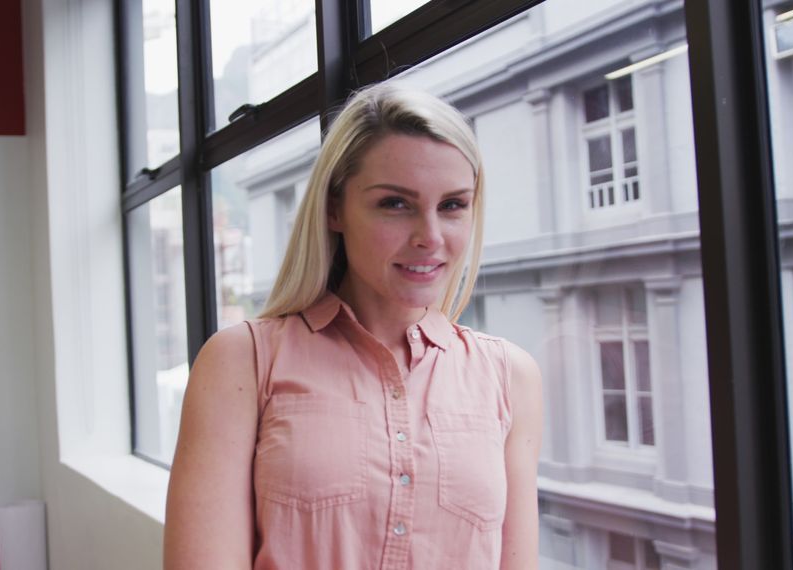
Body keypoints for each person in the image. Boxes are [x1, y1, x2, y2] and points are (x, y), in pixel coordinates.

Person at [164, 82, 543, 570]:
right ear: (334, 208)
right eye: (395, 203)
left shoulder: (511, 377)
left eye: (452, 205)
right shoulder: (242, 361)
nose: (430, 238)